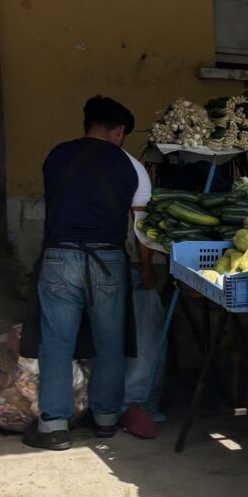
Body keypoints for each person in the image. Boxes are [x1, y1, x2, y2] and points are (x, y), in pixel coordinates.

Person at [25, 96, 154, 451]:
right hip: (109, 260)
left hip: (59, 257)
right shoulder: (133, 167)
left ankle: (53, 426)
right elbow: (141, 227)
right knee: (110, 342)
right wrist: (146, 270)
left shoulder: (56, 155)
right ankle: (106, 419)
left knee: (57, 342)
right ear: (118, 131)